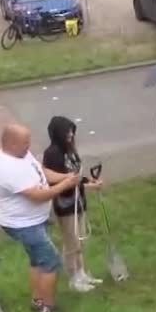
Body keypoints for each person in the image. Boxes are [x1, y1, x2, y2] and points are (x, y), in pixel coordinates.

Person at [0, 124, 81, 312]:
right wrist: (65, 185)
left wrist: (65, 176)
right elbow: (38, 196)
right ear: (11, 143)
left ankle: (37, 299)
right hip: (23, 225)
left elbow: (42, 173)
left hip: (34, 220)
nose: (28, 146)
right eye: (25, 143)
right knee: (51, 262)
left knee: (37, 260)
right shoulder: (6, 168)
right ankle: (48, 309)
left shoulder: (21, 154)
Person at [42, 116, 104, 293]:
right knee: (72, 242)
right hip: (65, 203)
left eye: (72, 131)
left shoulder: (70, 150)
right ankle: (74, 278)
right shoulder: (52, 153)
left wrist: (90, 181)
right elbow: (60, 181)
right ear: (58, 133)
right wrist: (85, 185)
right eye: (67, 131)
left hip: (79, 201)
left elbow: (76, 175)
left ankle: (82, 272)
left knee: (81, 239)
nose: (70, 134)